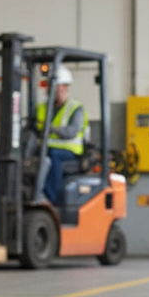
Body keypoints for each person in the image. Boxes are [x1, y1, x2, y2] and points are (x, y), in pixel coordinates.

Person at [36, 65, 87, 205]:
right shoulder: (43, 107)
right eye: (49, 87)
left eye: (55, 87)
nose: (51, 90)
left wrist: (50, 129)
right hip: (45, 149)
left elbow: (71, 132)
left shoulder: (76, 108)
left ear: (64, 87)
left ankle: (51, 198)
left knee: (53, 156)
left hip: (71, 152)